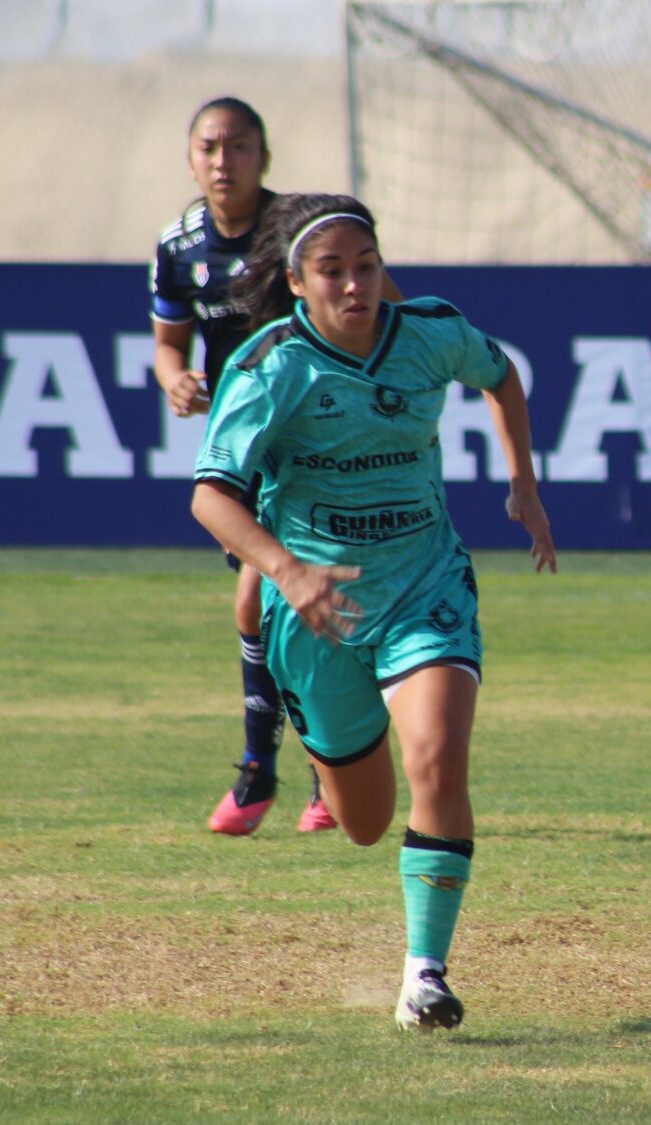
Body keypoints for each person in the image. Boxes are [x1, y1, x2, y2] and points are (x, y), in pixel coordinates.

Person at [191, 193, 556, 1030]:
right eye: (333, 272)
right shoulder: (271, 366)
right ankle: (325, 760)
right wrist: (285, 570)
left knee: (437, 758)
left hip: (424, 582)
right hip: (319, 616)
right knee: (365, 822)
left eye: (367, 266)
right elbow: (211, 497)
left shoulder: (428, 333)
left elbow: (501, 375)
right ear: (296, 283)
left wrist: (523, 485)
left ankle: (424, 973)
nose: (356, 285)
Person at [152, 96, 401, 836]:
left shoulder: (302, 231)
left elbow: (383, 305)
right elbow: (170, 343)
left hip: (317, 440)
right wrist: (175, 378)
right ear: (191, 156)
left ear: (265, 155)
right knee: (282, 605)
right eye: (209, 147)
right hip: (248, 446)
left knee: (264, 603)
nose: (223, 161)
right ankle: (318, 772)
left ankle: (269, 771)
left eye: (239, 146)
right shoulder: (179, 243)